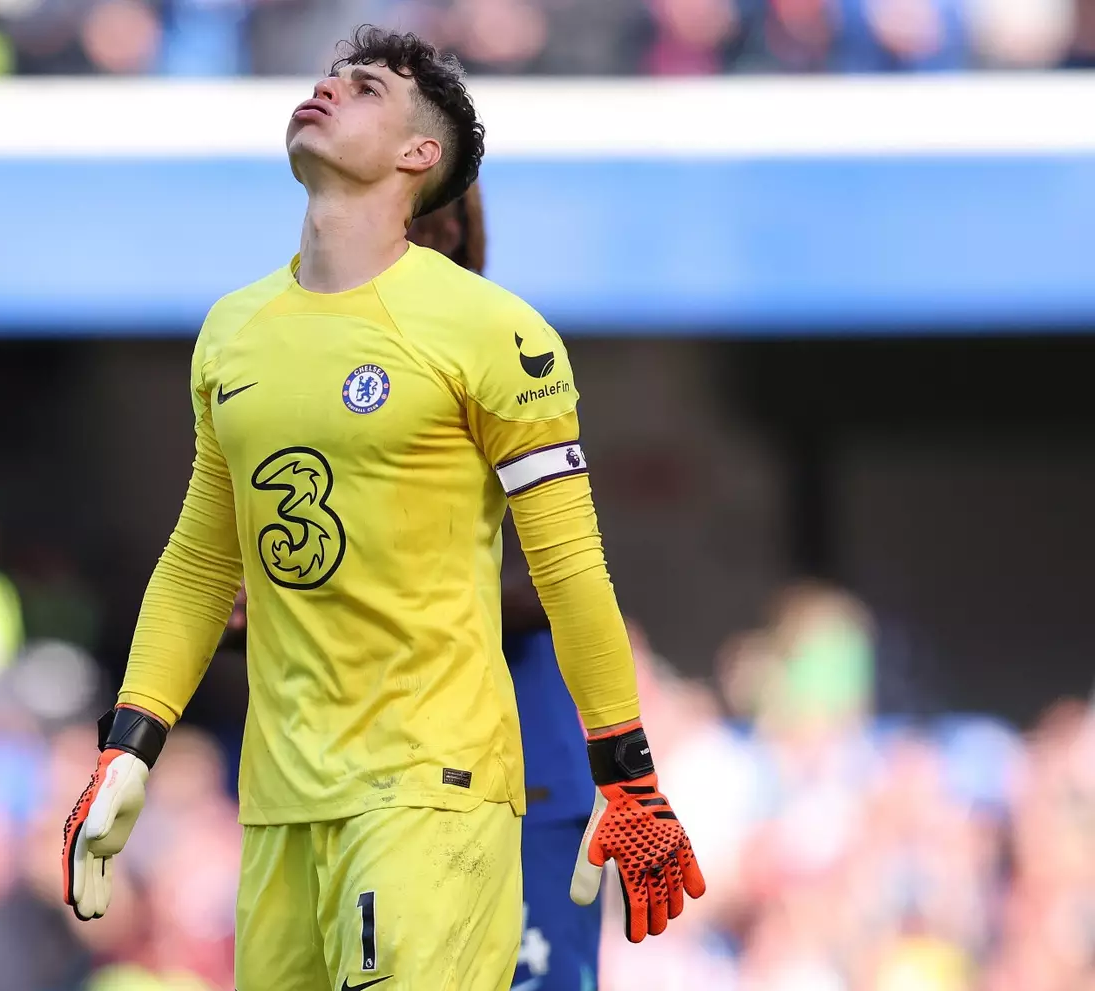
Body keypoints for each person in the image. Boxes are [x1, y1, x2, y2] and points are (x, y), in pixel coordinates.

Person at [61, 26, 704, 991]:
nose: (325, 89)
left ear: (420, 156)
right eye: (327, 75)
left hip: (428, 793)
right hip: (279, 804)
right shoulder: (233, 331)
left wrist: (630, 774)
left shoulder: (496, 332)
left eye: (362, 87)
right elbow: (201, 562)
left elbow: (572, 572)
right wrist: (129, 743)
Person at [408, 184, 601, 991]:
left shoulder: (503, 356)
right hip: (388, 768)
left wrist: (392, 590)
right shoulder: (314, 365)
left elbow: (563, 572)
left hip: (528, 763)